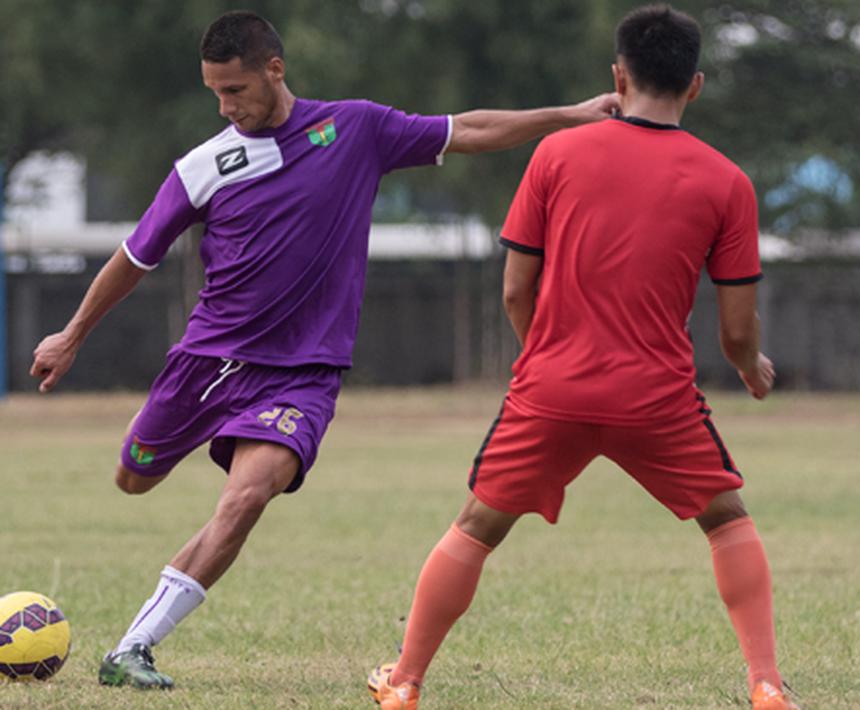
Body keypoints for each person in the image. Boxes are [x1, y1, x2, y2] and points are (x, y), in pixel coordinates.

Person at [28, 11, 618, 689]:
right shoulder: (204, 166)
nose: (227, 108)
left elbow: (470, 129)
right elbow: (136, 256)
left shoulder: (356, 128)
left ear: (274, 70)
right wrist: (71, 335)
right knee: (134, 478)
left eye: (237, 91)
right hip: (210, 361)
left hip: (303, 373)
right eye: (215, 94)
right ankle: (157, 510)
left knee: (246, 497)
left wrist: (569, 115)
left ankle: (132, 648)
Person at [367, 5, 794, 710]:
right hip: (656, 399)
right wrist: (750, 369)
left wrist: (548, 360)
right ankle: (766, 683)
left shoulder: (556, 154)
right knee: (726, 519)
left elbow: (514, 290)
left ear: (617, 76)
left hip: (551, 390)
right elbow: (737, 333)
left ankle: (406, 680)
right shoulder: (726, 182)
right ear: (695, 86)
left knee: (475, 527)